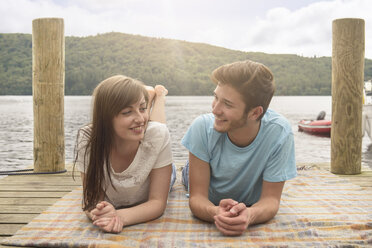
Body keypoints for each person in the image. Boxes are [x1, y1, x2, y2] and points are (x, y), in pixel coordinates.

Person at [181, 60, 296, 236]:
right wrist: (215, 212)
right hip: (205, 169)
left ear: (255, 113)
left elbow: (271, 200)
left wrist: (250, 215)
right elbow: (197, 198)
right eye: (215, 97)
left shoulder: (279, 132)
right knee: (183, 174)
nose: (215, 110)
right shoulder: (202, 127)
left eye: (227, 104)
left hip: (233, 177)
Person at [74, 75, 175, 233]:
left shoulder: (157, 135)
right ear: (105, 117)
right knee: (149, 127)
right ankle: (146, 96)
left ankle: (158, 96)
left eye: (143, 108)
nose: (140, 118)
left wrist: (120, 216)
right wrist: (100, 211)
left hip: (152, 168)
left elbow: (157, 202)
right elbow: (91, 200)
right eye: (127, 112)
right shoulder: (88, 139)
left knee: (157, 129)